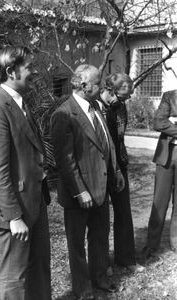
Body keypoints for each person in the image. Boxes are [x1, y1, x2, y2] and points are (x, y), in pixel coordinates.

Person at [0, 46, 51, 300]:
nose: (34, 71)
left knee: (39, 268)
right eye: (29, 67)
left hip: (34, 200)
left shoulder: (20, 103)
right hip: (15, 209)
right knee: (14, 276)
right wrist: (13, 216)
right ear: (11, 71)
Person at [51, 64, 124, 300]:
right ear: (83, 85)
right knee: (77, 245)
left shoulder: (96, 107)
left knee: (100, 238)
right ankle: (83, 290)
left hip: (101, 188)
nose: (101, 86)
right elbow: (65, 160)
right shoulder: (63, 114)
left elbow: (107, 143)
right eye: (97, 82)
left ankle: (100, 281)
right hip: (79, 194)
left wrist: (116, 171)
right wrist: (80, 192)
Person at [100, 73, 144, 272]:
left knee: (124, 212)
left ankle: (125, 259)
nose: (128, 99)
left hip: (120, 167)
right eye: (125, 94)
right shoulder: (96, 107)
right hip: (101, 168)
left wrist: (120, 164)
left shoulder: (121, 106)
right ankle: (102, 264)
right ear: (111, 90)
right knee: (100, 219)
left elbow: (119, 139)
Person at [143, 89, 177, 259]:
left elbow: (166, 123)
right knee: (159, 202)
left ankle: (175, 242)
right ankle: (151, 244)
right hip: (166, 157)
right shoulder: (170, 96)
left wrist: (172, 121)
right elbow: (158, 122)